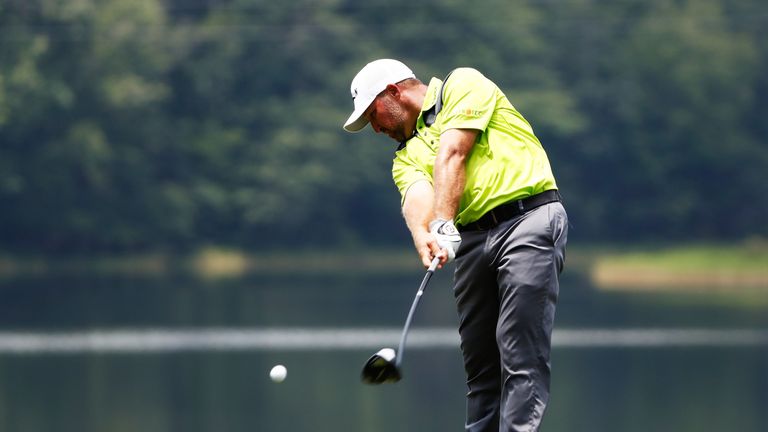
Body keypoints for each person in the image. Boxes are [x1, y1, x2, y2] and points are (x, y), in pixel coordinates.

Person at [343, 58, 568, 432]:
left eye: (374, 115)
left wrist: (443, 222)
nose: (376, 128)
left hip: (529, 220)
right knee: (480, 366)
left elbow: (453, 152)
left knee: (519, 353)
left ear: (394, 92)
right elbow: (417, 197)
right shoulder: (404, 157)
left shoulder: (462, 84)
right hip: (473, 238)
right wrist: (425, 235)